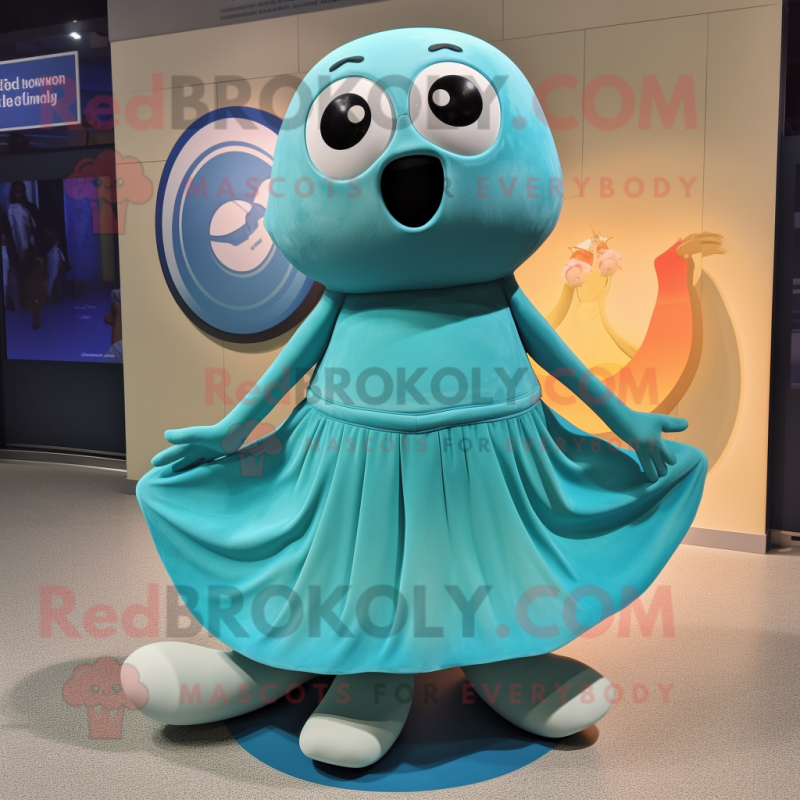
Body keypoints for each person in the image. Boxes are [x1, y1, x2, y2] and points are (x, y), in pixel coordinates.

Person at [123, 29, 708, 769]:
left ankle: (504, 660)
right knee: (355, 567)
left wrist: (625, 421)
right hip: (351, 460)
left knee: (495, 562)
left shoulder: (495, 287)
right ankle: (355, 673)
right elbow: (288, 366)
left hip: (495, 457)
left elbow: (561, 359)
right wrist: (232, 430)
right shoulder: (347, 296)